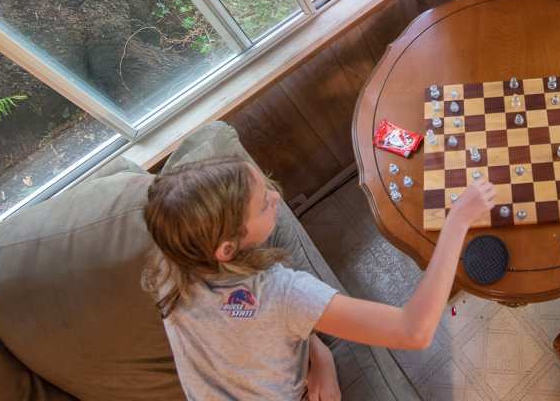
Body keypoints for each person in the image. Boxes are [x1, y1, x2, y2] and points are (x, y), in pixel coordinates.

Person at [143, 154, 496, 401]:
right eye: (263, 203)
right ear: (227, 248)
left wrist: (318, 352)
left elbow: (262, 326)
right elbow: (413, 331)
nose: (276, 196)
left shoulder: (169, 263)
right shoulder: (282, 293)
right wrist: (458, 221)